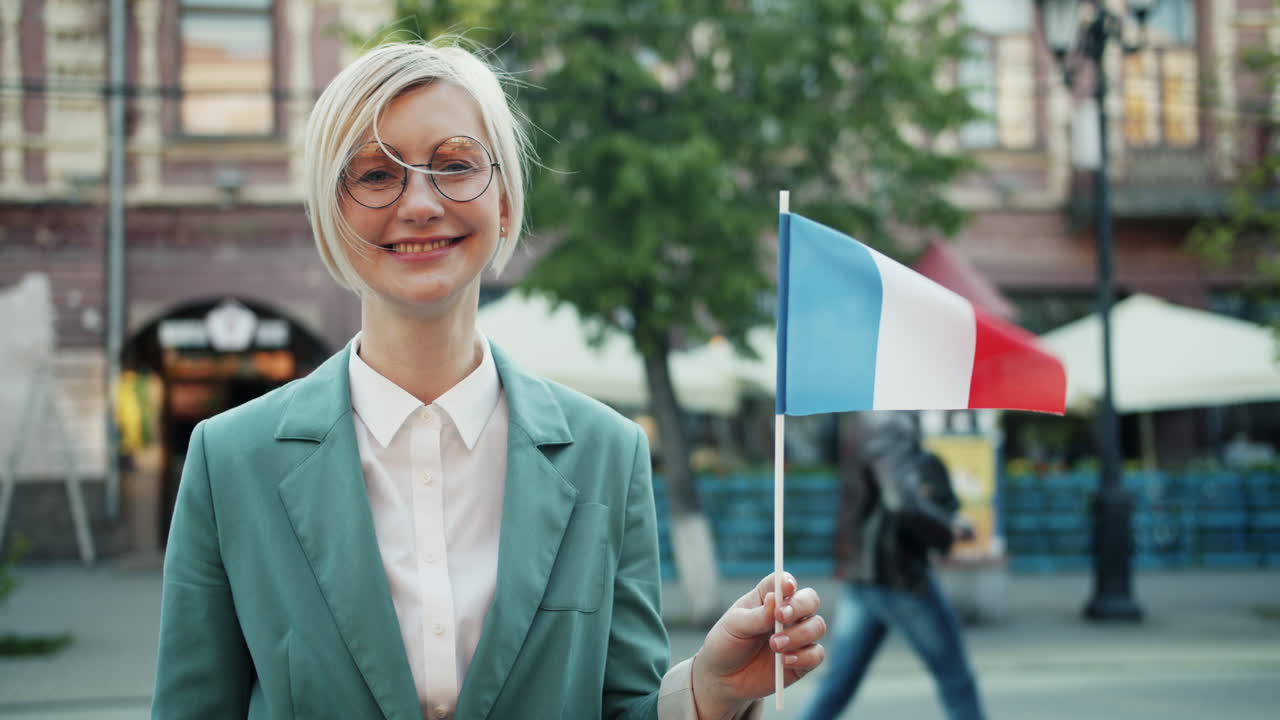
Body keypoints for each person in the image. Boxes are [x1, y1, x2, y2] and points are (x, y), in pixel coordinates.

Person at [151, 37, 825, 720]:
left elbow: (620, 704)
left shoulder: (605, 454)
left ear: (504, 202)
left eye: (455, 165)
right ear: (334, 214)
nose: (420, 202)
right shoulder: (231, 461)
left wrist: (708, 692)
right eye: (376, 175)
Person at [798, 412, 985, 720]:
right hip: (898, 574)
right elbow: (901, 501)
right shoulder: (893, 422)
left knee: (837, 686)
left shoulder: (868, 417)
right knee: (957, 679)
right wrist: (946, 530)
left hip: (865, 573)